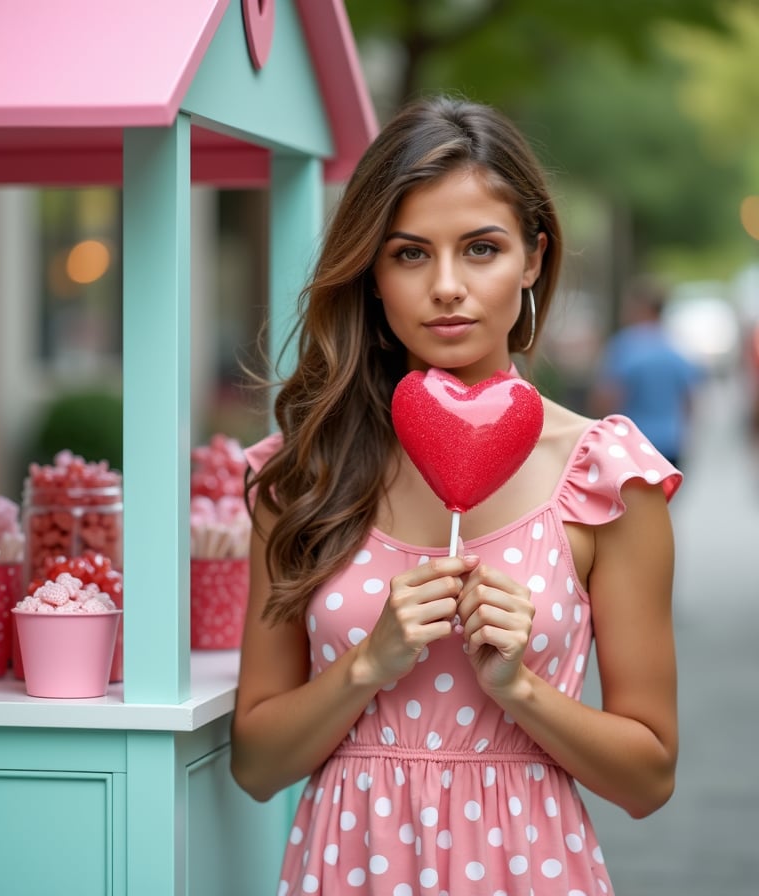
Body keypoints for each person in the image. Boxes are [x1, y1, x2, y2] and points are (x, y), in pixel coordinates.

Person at [231, 94, 680, 895]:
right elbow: (258, 765)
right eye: (409, 254)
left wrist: (519, 690)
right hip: (349, 868)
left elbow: (648, 779)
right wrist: (370, 660)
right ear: (371, 270)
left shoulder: (607, 478)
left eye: (480, 249)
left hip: (528, 870)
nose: (446, 286)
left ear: (533, 258)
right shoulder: (305, 474)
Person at [590, 276, 703, 468]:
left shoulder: (624, 347)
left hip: (632, 444)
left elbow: (607, 397)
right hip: (670, 443)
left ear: (641, 308)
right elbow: (689, 400)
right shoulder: (675, 348)